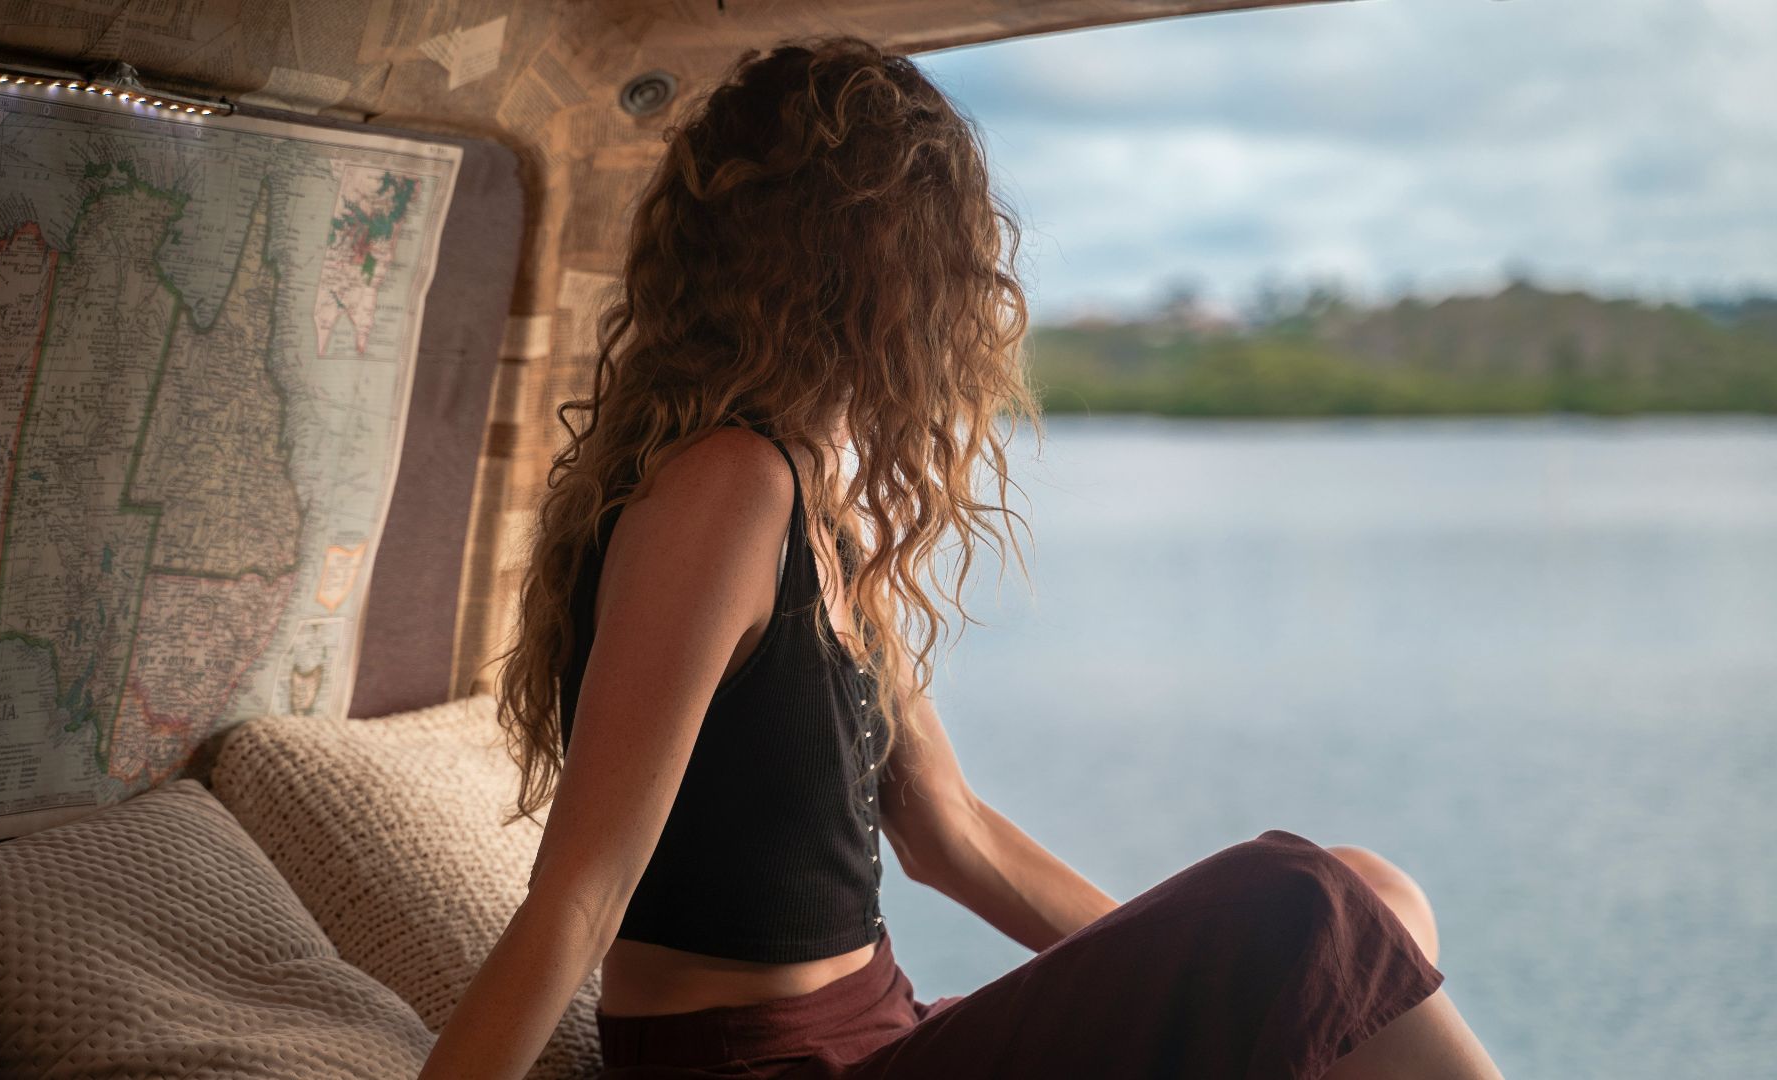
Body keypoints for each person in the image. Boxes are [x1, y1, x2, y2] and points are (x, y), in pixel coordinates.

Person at [419, 36, 1502, 1080]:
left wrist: (1194, 981)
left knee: (1366, 907)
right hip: (767, 1063)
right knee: (1307, 906)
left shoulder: (812, 501)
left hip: (880, 1033)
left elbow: (954, 835)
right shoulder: (723, 486)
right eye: (944, 250)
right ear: (865, 262)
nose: (966, 294)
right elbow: (581, 895)